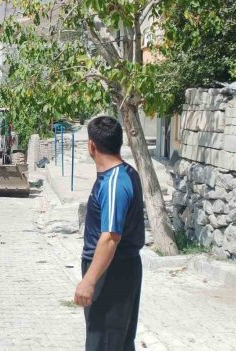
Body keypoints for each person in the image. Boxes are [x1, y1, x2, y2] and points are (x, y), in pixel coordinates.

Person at [74, 116, 145, 351]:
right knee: (117, 343)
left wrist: (89, 281)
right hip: (117, 269)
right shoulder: (123, 173)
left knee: (103, 343)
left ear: (92, 146)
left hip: (112, 272)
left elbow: (110, 238)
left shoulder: (115, 182)